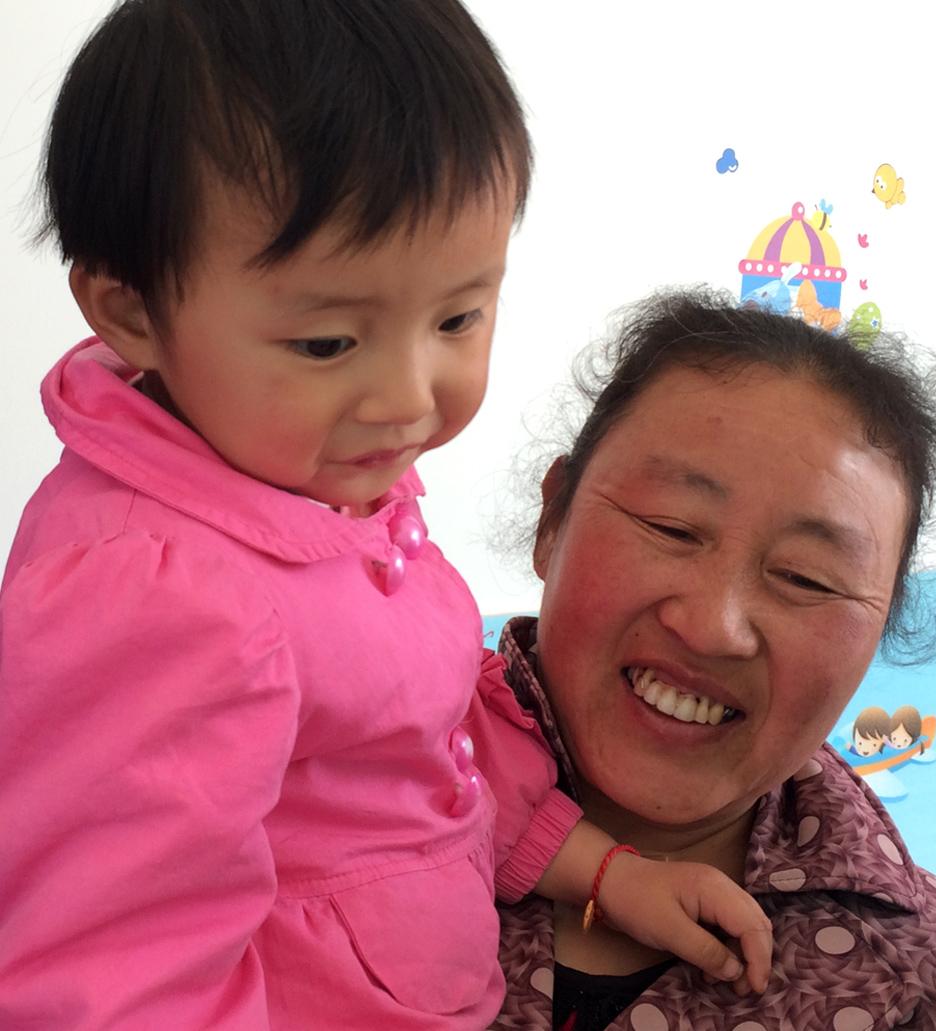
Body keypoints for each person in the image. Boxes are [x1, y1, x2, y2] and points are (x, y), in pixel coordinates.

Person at [0, 5, 771, 1029]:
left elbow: (405, 762)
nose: (408, 397)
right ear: (133, 310)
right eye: (326, 342)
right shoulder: (157, 596)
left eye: (456, 317)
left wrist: (604, 871)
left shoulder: (307, 476)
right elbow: (108, 977)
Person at [492, 290, 936, 1029]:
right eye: (672, 527)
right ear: (553, 516)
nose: (713, 627)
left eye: (806, 577)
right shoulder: (309, 770)